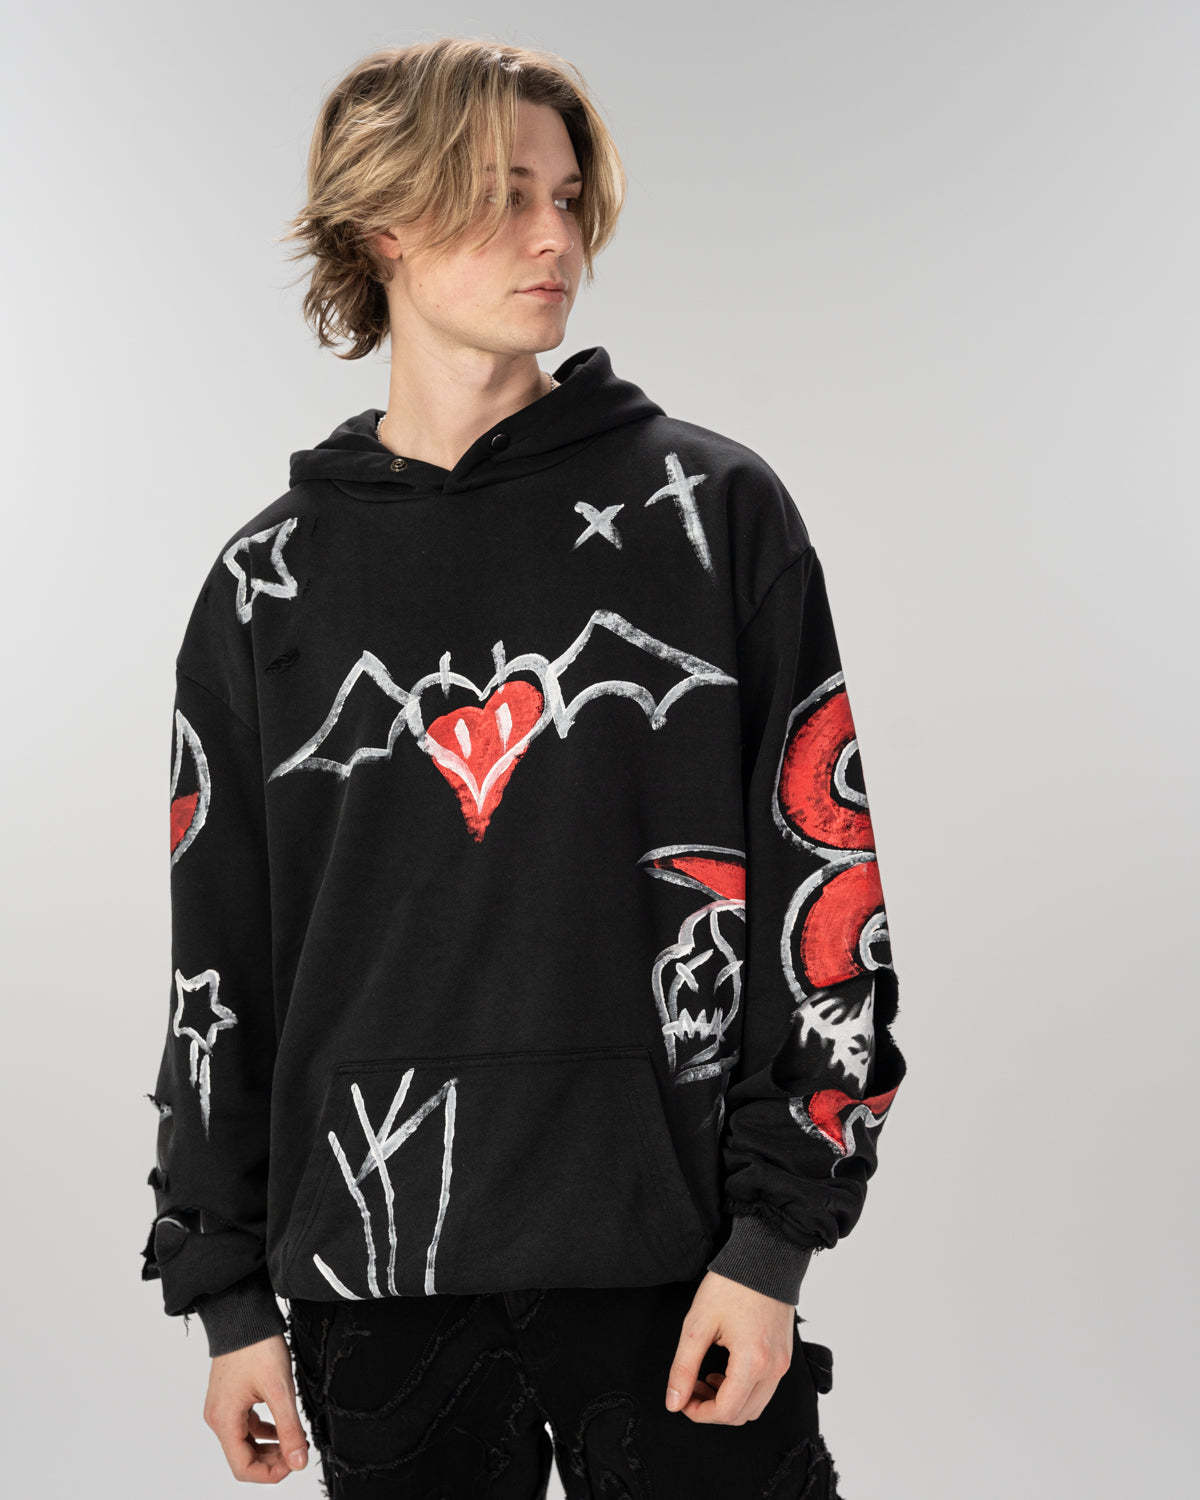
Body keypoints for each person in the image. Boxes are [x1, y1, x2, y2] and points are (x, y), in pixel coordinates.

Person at [140, 35, 907, 1498]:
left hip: (669, 1253)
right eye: (502, 196)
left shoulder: (712, 513)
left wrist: (773, 1244)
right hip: (376, 1280)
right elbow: (218, 960)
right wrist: (226, 1295)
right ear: (384, 222)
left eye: (566, 199)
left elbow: (828, 879)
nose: (555, 239)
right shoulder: (265, 583)